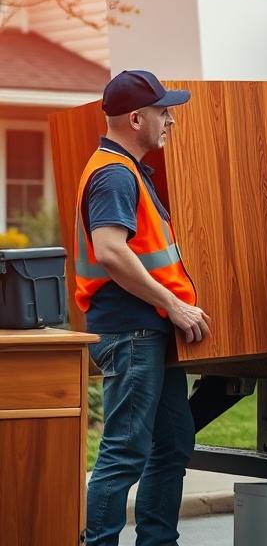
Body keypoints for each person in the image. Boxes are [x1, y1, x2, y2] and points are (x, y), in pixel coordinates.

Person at [75, 70, 211, 546]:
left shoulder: (127, 170)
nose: (170, 118)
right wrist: (173, 304)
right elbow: (111, 251)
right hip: (132, 330)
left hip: (147, 330)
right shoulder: (114, 174)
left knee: (171, 444)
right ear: (136, 117)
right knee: (124, 452)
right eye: (162, 110)